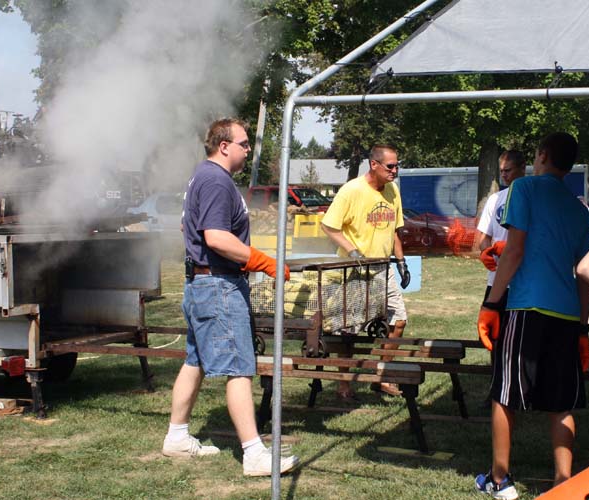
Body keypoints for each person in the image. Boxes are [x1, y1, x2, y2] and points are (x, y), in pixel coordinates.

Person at [161, 118, 299, 477]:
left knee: (196, 360)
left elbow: (185, 226)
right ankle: (254, 454)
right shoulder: (216, 180)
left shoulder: (201, 178)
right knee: (239, 366)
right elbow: (216, 238)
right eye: (243, 143)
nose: (248, 149)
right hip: (218, 286)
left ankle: (176, 436)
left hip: (203, 283)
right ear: (224, 146)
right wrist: (263, 261)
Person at [475, 132, 589, 499]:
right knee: (561, 403)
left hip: (525, 307)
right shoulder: (579, 209)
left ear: (541, 155)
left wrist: (492, 303)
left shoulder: (523, 189)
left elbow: (514, 250)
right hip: (566, 314)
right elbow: (585, 273)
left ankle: (499, 480)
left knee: (505, 394)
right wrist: (583, 328)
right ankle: (563, 483)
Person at [321, 144, 411, 399]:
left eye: (397, 165)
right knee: (349, 329)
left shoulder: (393, 190)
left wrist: (401, 262)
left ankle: (380, 376)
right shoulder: (352, 191)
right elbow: (329, 226)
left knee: (398, 321)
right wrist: (353, 252)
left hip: (383, 268)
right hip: (354, 270)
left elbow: (394, 230)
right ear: (374, 164)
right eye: (390, 166)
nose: (395, 171)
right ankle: (344, 384)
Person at [475, 150, 526, 408]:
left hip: (524, 281)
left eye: (508, 170)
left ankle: (520, 389)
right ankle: (496, 390)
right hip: (496, 281)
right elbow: (481, 238)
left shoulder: (530, 196)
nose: (504, 175)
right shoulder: (496, 199)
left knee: (521, 340)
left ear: (523, 168)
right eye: (501, 171)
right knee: (494, 338)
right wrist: (485, 251)